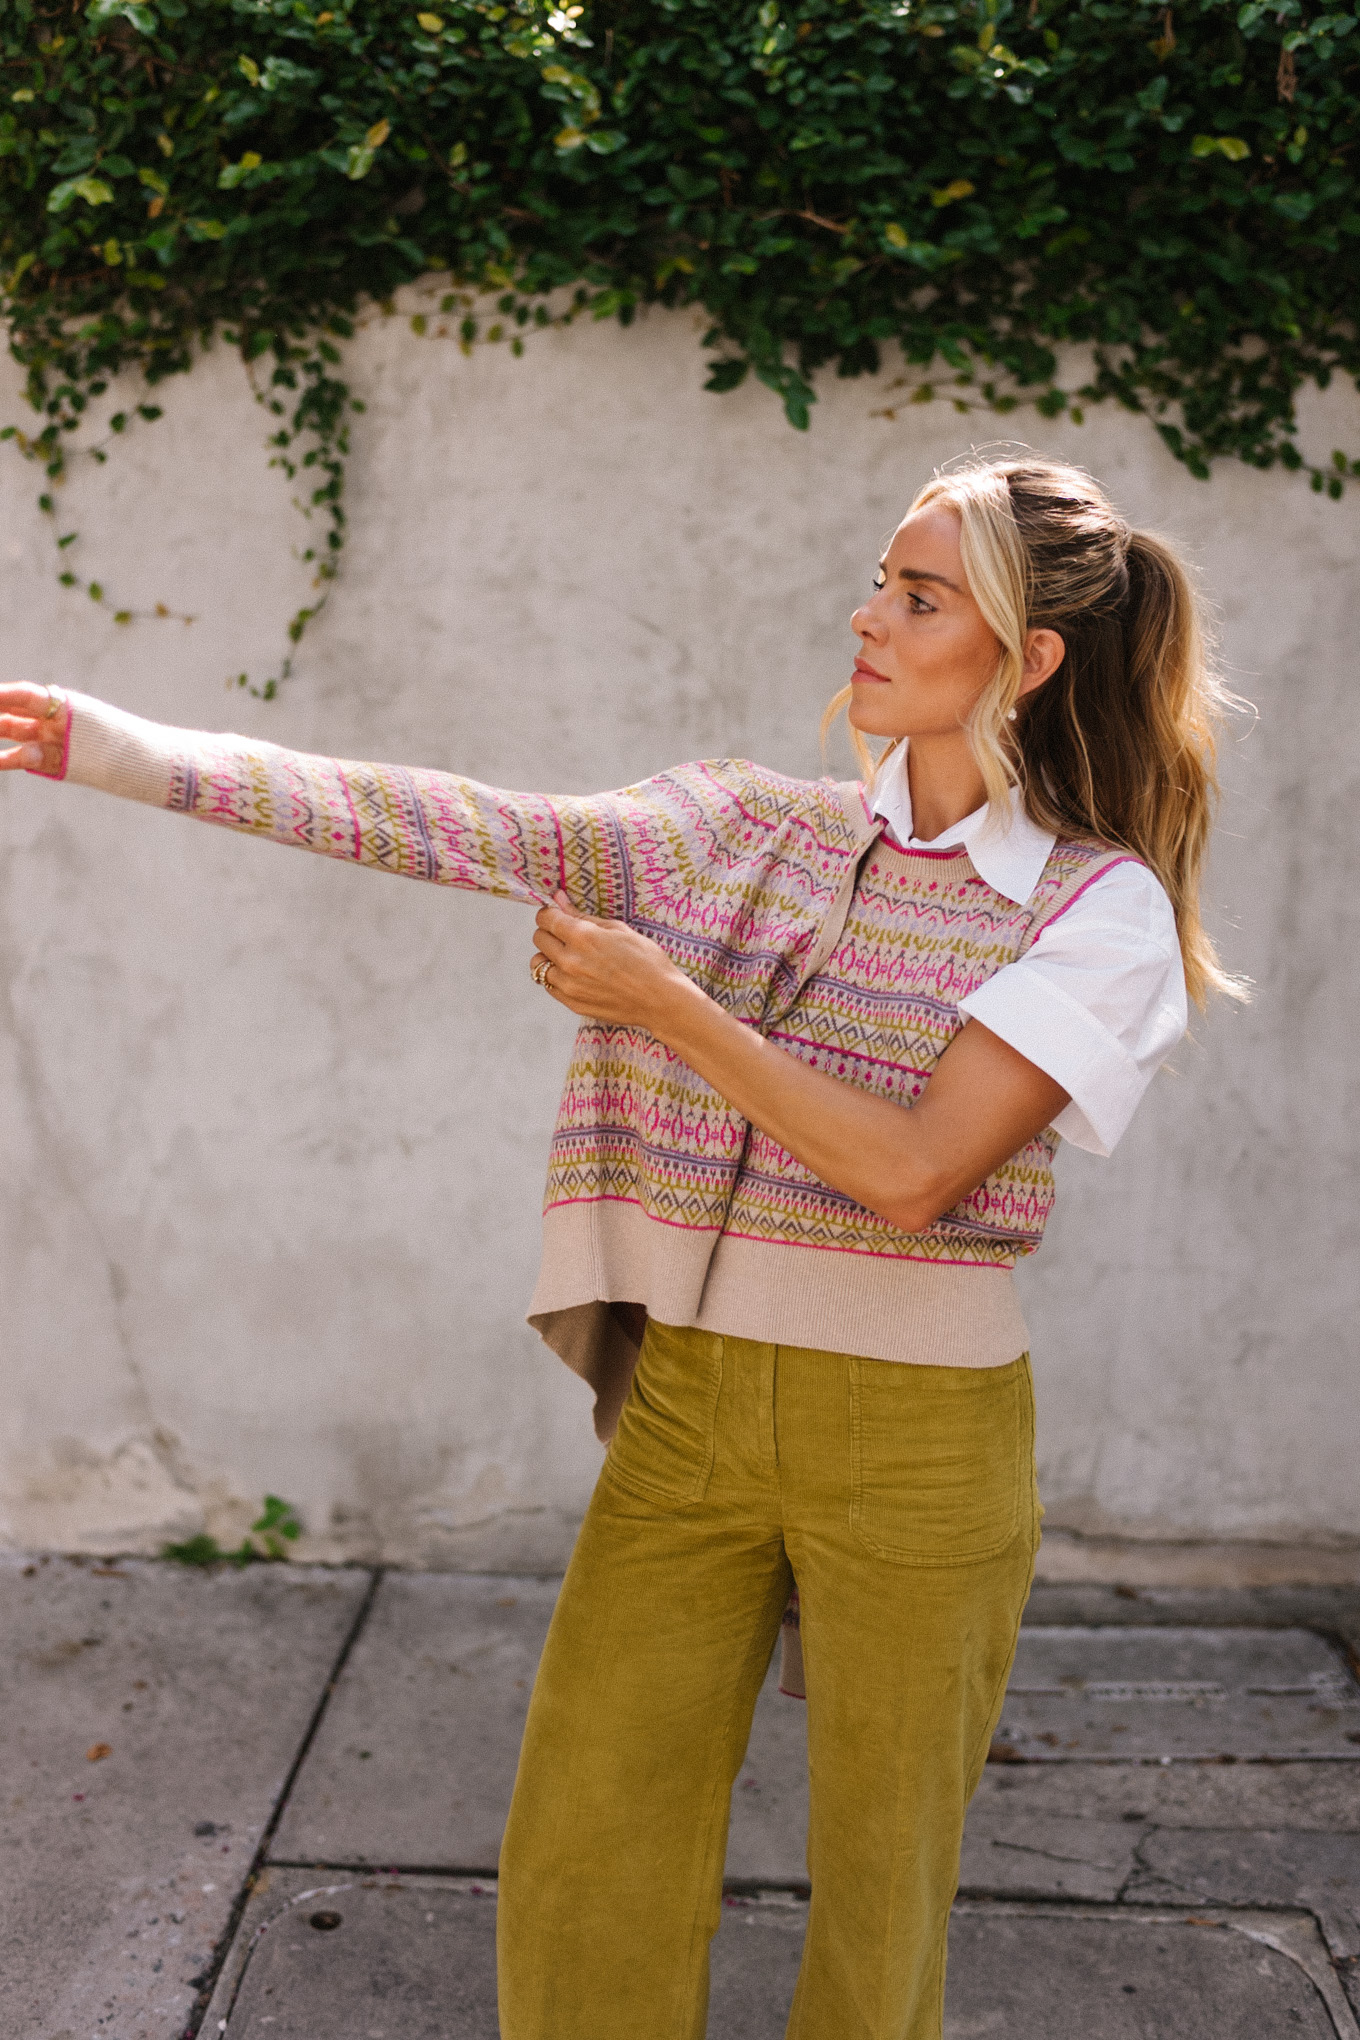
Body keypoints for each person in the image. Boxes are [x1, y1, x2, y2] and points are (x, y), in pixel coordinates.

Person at [0, 454, 1240, 2040]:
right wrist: (131, 754)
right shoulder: (740, 829)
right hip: (695, 1409)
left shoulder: (1101, 909)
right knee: (589, 1847)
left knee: (881, 1908)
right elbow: (462, 825)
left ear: (1031, 656)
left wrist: (667, 1002)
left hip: (921, 1441)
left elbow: (918, 1170)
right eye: (880, 579)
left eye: (920, 598)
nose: (866, 618)